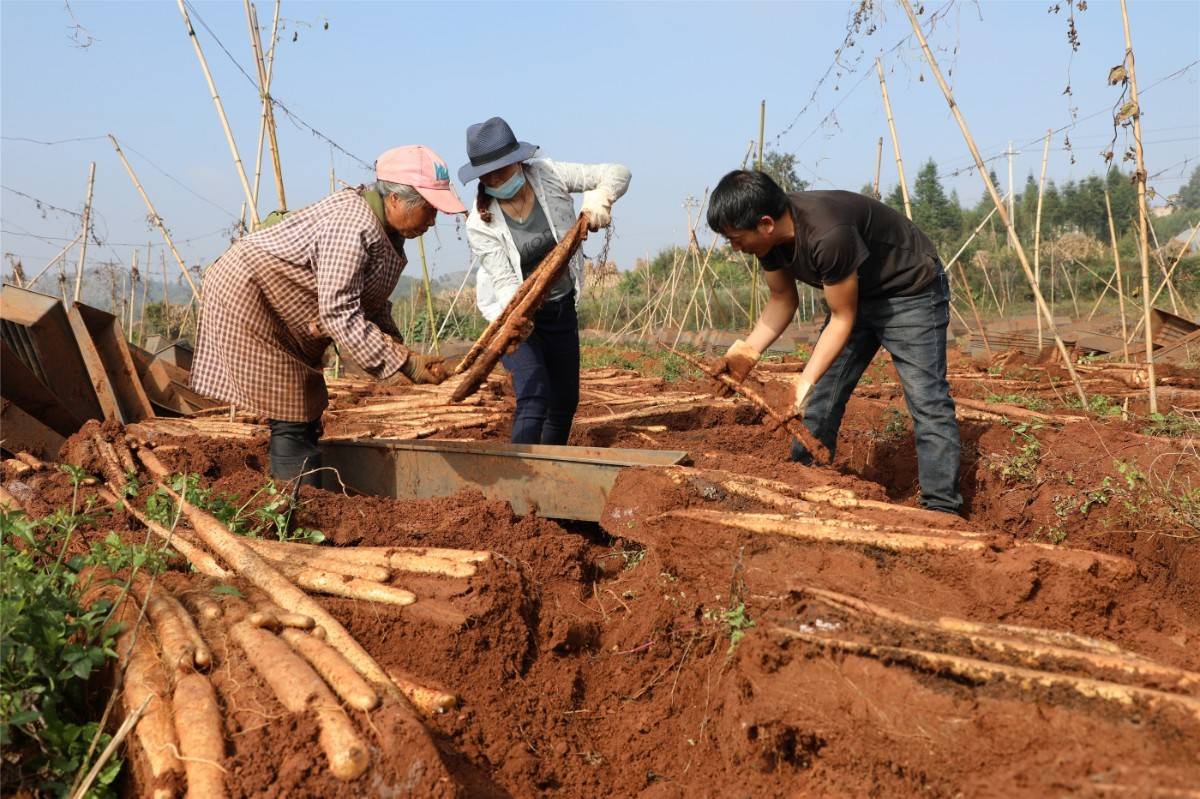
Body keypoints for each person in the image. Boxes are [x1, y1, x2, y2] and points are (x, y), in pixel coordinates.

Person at [192, 145, 465, 486]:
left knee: (303, 404)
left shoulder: (387, 232)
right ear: (394, 198)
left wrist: (402, 352)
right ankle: (296, 506)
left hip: (285, 308)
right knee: (291, 404)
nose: (433, 220)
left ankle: (302, 491)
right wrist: (404, 363)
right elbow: (339, 309)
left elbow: (372, 302)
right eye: (429, 208)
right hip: (250, 298)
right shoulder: (351, 225)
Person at [706, 170, 962, 515]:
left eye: (736, 238)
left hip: (909, 290)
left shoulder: (828, 235)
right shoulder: (770, 242)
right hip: (856, 293)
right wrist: (746, 354)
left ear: (765, 223)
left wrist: (801, 384)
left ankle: (941, 508)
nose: (735, 247)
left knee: (926, 398)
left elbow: (842, 318)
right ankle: (805, 479)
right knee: (824, 397)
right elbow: (782, 300)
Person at [459, 116, 630, 445]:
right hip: (514, 316)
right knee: (534, 393)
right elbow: (507, 284)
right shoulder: (480, 224)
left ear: (519, 161)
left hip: (561, 308)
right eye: (488, 174)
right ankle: (519, 476)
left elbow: (618, 171)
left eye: (503, 169)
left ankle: (552, 469)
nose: (497, 178)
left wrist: (601, 197)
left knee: (565, 401)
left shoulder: (549, 175)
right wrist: (518, 322)